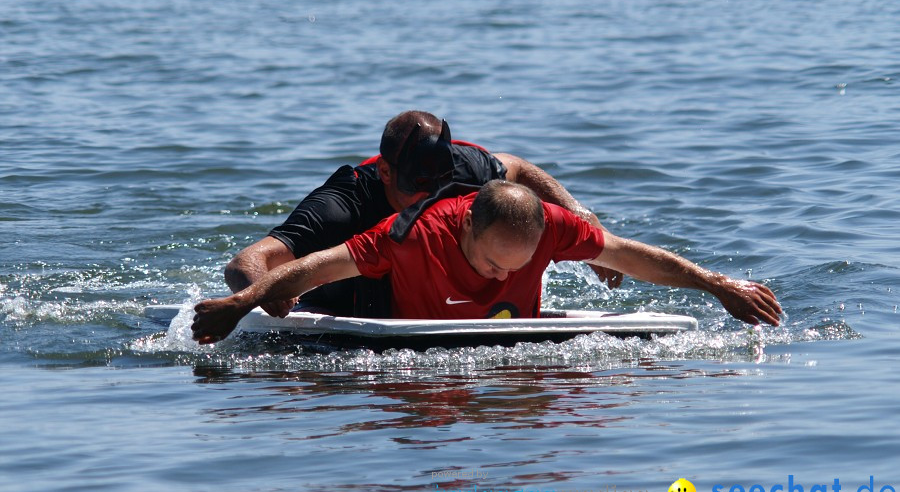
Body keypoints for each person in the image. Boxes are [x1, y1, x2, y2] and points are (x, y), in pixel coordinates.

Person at [193, 180, 782, 344]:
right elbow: (317, 267)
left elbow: (635, 257)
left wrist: (717, 285)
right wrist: (242, 304)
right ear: (467, 227)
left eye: (515, 267)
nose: (502, 275)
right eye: (492, 264)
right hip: (381, 307)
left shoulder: (553, 227)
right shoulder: (413, 233)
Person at [223, 110, 621, 319]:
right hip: (346, 299)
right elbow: (246, 263)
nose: (433, 202)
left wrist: (581, 215)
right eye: (417, 189)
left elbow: (514, 167)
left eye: (441, 187)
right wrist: (272, 300)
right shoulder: (340, 206)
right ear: (385, 172)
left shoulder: (462, 169)